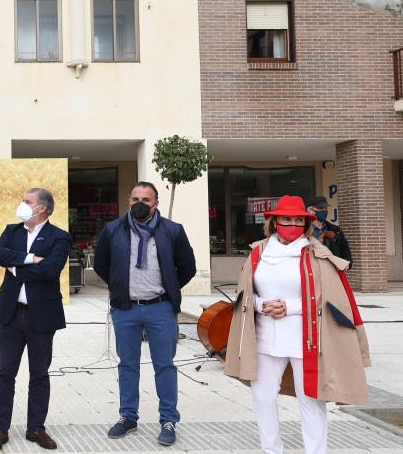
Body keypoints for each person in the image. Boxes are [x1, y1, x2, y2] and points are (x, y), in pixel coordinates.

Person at [225, 195, 371, 454]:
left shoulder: (317, 254)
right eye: (286, 219)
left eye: (297, 220)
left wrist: (289, 307)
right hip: (264, 338)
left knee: (311, 400)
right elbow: (246, 292)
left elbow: (329, 299)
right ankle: (272, 450)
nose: (291, 224)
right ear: (274, 222)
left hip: (307, 339)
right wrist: (261, 306)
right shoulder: (258, 252)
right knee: (263, 398)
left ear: (305, 224)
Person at [93, 182, 196, 447]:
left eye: (146, 199)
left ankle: (168, 420)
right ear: (129, 200)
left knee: (164, 365)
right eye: (135, 198)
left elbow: (187, 267)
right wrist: (119, 286)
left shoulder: (173, 230)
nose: (140, 203)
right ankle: (128, 417)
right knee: (127, 365)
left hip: (160, 308)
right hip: (125, 309)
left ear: (156, 203)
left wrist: (169, 289)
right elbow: (102, 264)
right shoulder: (113, 230)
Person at [0, 188, 72, 451]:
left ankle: (36, 428)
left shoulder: (60, 237)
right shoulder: (12, 231)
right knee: (4, 373)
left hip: (41, 317)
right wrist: (29, 259)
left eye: (27, 202)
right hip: (11, 315)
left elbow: (50, 270)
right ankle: (0, 429)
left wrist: (15, 268)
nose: (22, 205)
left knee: (39, 374)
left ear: (42, 209)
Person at [304, 195, 352, 264]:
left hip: (333, 268)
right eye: (320, 208)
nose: (324, 210)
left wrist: (348, 264)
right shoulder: (303, 230)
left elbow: (345, 249)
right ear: (310, 211)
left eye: (325, 208)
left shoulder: (336, 230)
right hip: (312, 269)